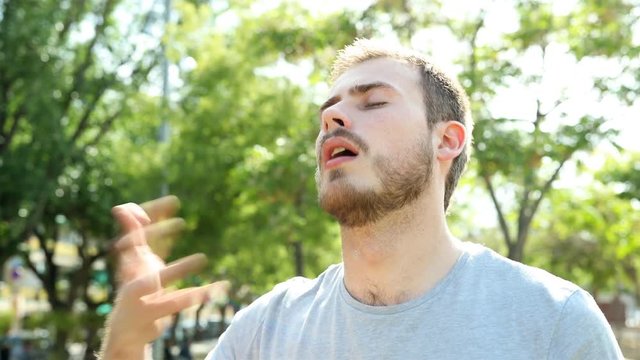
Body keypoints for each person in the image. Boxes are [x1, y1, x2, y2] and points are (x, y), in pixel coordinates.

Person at [99, 39, 623, 359]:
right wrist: (124, 346)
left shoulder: (552, 321)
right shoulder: (265, 329)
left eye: (373, 100)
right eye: (329, 110)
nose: (333, 118)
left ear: (446, 140)